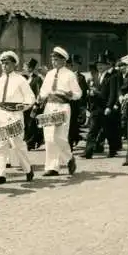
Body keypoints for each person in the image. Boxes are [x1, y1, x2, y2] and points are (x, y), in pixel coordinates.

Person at [0, 51, 36, 185]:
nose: (4, 65)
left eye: (7, 63)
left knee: (17, 144)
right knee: (0, 145)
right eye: (2, 63)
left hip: (15, 114)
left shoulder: (20, 80)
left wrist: (24, 106)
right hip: (1, 115)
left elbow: (30, 98)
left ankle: (27, 169)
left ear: (14, 64)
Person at [35, 46, 81, 176]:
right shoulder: (49, 74)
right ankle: (52, 167)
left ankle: (68, 158)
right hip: (50, 106)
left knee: (60, 137)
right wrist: (40, 97)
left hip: (63, 106)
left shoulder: (70, 75)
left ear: (63, 61)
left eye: (56, 60)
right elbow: (44, 91)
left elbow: (78, 93)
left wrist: (70, 94)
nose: (54, 62)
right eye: (52, 59)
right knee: (49, 137)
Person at [82, 51, 121, 159]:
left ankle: (112, 150)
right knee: (92, 131)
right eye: (98, 65)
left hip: (105, 108)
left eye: (102, 65)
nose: (99, 67)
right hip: (96, 108)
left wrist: (109, 107)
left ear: (106, 66)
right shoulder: (94, 77)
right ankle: (88, 152)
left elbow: (113, 94)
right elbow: (92, 91)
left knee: (108, 130)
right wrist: (90, 94)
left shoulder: (111, 77)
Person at [67, 54, 89, 150]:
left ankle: (71, 143)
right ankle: (70, 142)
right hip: (66, 104)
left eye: (75, 65)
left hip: (77, 105)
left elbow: (84, 93)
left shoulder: (81, 77)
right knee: (67, 124)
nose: (73, 66)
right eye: (71, 65)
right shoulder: (66, 76)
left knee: (73, 125)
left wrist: (83, 107)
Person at [22, 58, 43, 150]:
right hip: (25, 105)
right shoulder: (24, 78)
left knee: (31, 124)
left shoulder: (37, 79)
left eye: (25, 67)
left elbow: (39, 93)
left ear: (30, 68)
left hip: (33, 105)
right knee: (26, 124)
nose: (24, 69)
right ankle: (30, 140)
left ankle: (30, 143)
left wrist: (36, 105)